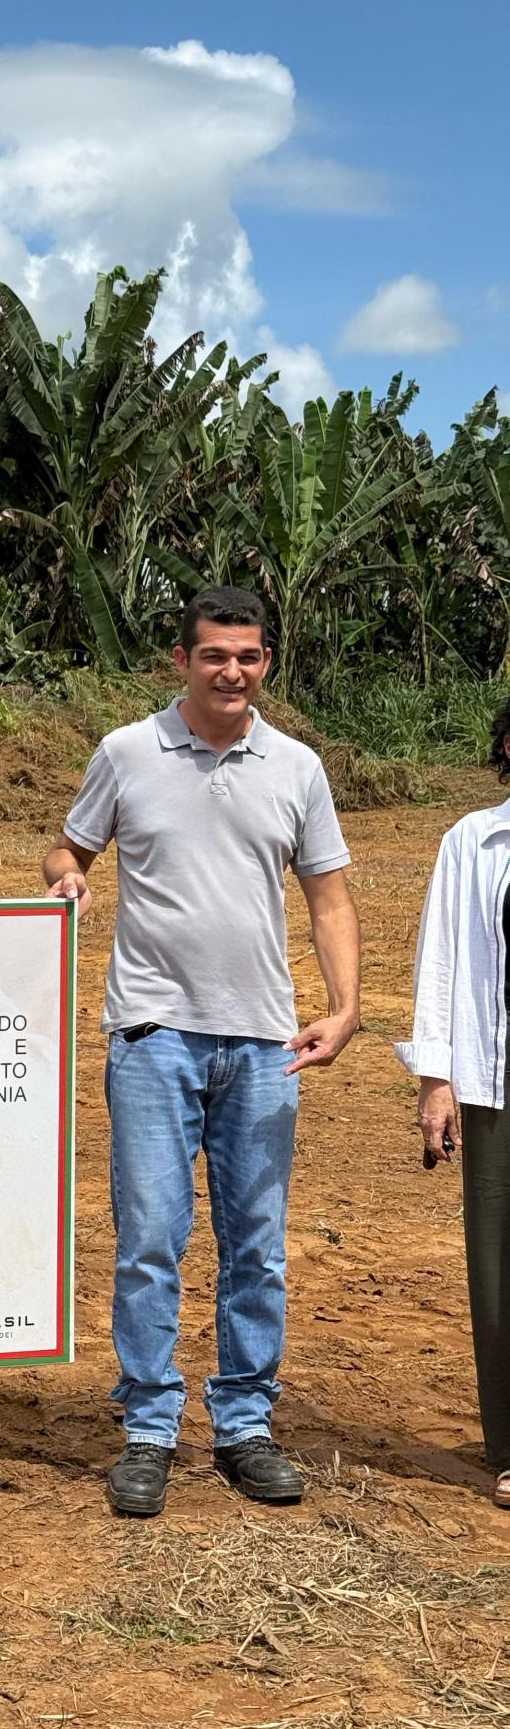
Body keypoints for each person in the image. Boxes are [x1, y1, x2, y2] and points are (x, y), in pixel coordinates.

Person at [43, 586, 360, 1516]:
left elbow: (329, 896)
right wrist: (68, 885)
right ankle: (148, 1428)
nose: (232, 671)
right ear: (180, 661)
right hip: (152, 1035)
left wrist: (344, 1007)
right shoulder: (127, 754)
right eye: (215, 655)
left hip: (264, 1041)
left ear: (267, 663)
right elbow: (65, 851)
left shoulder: (297, 768)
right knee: (149, 1239)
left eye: (249, 656)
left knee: (256, 1244)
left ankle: (244, 1425)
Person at [397, 697, 510, 1507]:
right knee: (499, 1266)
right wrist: (437, 1079)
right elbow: (441, 962)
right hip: (496, 1088)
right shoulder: (473, 843)